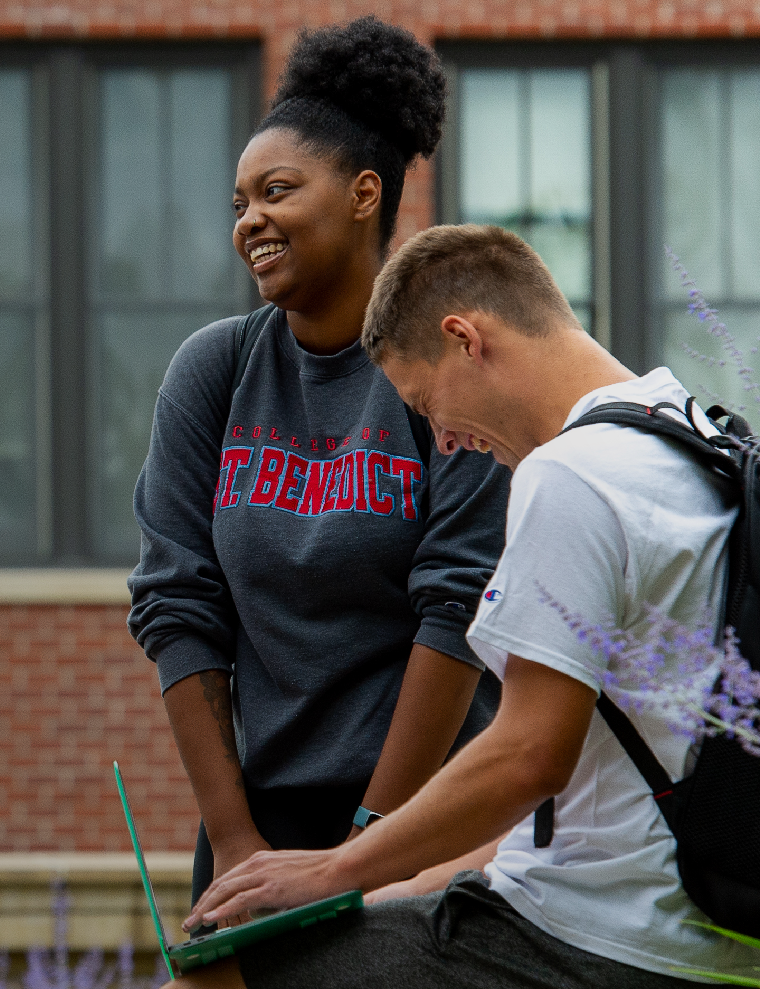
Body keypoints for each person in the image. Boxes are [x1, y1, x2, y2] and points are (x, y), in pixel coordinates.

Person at [136, 224, 760, 989]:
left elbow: (527, 756)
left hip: (604, 946)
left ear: (464, 339)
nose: (445, 443)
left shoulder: (571, 476)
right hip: (708, 935)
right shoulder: (698, 437)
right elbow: (592, 799)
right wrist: (373, 892)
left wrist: (336, 868)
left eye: (428, 405)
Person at [127, 17, 509, 919]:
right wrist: (234, 839)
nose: (250, 218)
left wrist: (373, 843)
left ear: (364, 193)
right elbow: (176, 605)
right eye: (239, 203)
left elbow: (458, 607)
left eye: (278, 190)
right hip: (256, 817)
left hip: (427, 807)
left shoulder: (448, 369)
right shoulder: (215, 372)